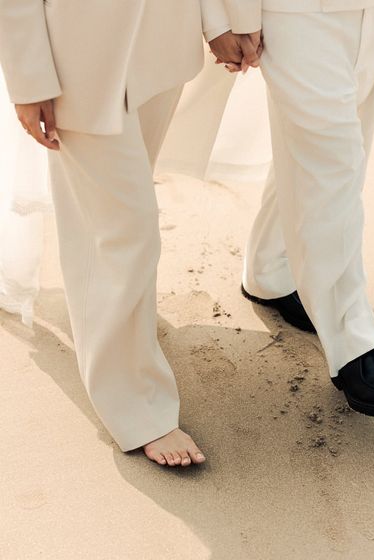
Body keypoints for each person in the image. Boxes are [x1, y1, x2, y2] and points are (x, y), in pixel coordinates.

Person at [0, 0, 237, 467]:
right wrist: (28, 78)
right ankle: (136, 404)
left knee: (111, 214)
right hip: (75, 57)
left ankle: (113, 323)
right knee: (131, 232)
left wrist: (219, 21)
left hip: (163, 45)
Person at [209, 0, 374, 417]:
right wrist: (227, 15)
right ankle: (354, 344)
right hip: (293, 11)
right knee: (335, 163)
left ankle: (267, 268)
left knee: (327, 147)